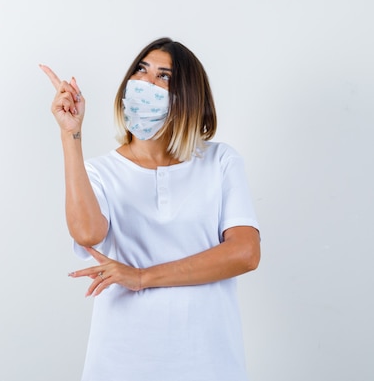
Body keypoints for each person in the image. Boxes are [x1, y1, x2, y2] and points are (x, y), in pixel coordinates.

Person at [40, 37, 261, 381]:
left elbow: (245, 253)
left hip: (207, 359)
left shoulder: (220, 162)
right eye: (141, 70)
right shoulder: (101, 172)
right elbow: (86, 234)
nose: (146, 81)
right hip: (122, 359)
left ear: (186, 95)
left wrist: (142, 277)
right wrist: (71, 135)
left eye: (164, 76)